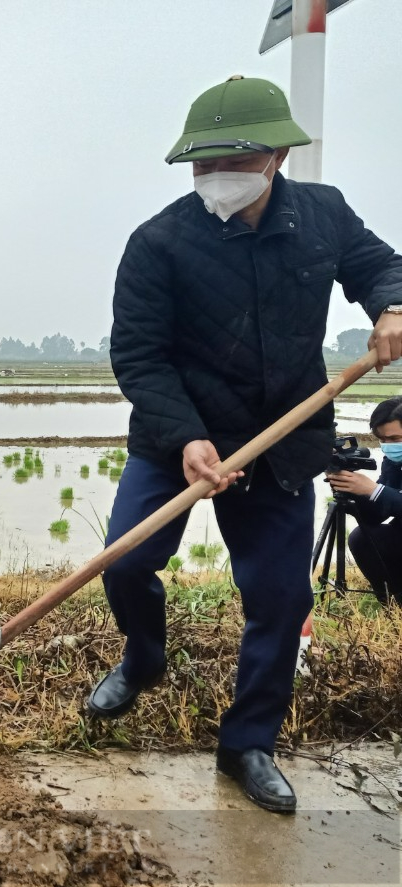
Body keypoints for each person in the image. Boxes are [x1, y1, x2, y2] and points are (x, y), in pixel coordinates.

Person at [87, 76, 402, 814]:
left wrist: (393, 305)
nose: (213, 179)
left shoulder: (324, 216)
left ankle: (248, 744)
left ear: (276, 157)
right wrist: (188, 436)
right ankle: (143, 657)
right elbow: (139, 355)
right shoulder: (159, 242)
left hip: (286, 438)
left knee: (281, 596)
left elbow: (378, 266)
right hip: (179, 436)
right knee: (128, 561)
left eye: (230, 163)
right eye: (201, 165)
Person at [330, 397, 402, 603]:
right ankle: (393, 603)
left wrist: (374, 490)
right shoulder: (394, 462)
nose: (388, 446)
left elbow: (380, 493)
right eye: (383, 440)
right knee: (363, 537)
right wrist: (351, 489)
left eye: (395, 439)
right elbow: (375, 516)